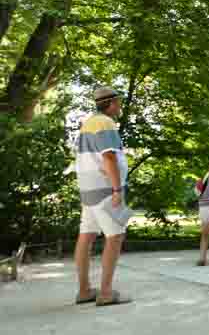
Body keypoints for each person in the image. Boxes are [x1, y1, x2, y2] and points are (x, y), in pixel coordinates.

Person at [73, 87, 132, 307]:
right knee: (115, 236)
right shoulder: (106, 124)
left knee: (86, 236)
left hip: (88, 190)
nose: (120, 106)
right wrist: (117, 190)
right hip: (106, 189)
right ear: (112, 103)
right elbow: (108, 158)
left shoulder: (87, 124)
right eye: (118, 102)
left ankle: (84, 290)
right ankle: (106, 293)